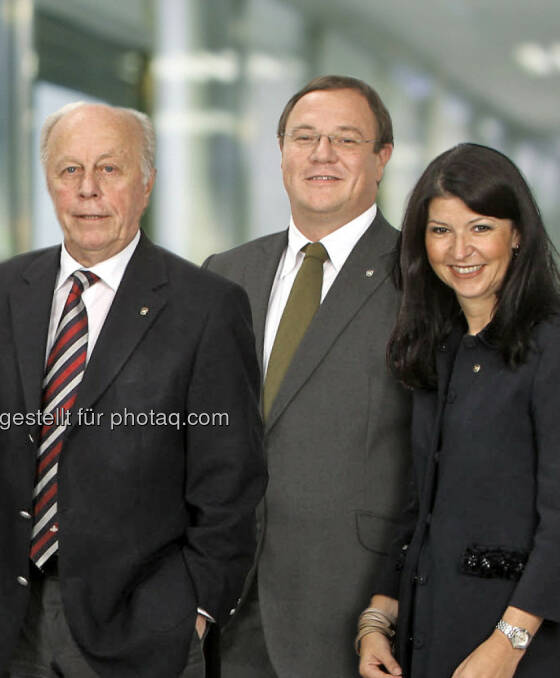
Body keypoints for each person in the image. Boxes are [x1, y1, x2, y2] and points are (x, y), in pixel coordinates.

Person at [0, 101, 266, 678]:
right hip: (10, 619)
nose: (87, 189)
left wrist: (194, 608)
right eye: (70, 170)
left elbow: (231, 481)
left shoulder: (206, 306)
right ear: (50, 183)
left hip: (145, 623)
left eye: (109, 169)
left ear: (146, 184)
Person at [203, 75, 412, 678]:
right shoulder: (225, 274)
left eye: (346, 139)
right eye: (305, 137)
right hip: (227, 609)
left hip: (355, 614)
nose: (322, 154)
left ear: (382, 159)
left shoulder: (422, 280)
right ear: (281, 151)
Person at [357, 143, 560, 678]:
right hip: (429, 635)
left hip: (517, 647)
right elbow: (419, 501)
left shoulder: (551, 347)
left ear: (516, 234)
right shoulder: (440, 348)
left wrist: (508, 645)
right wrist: (377, 617)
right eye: (441, 230)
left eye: (481, 227)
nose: (459, 249)